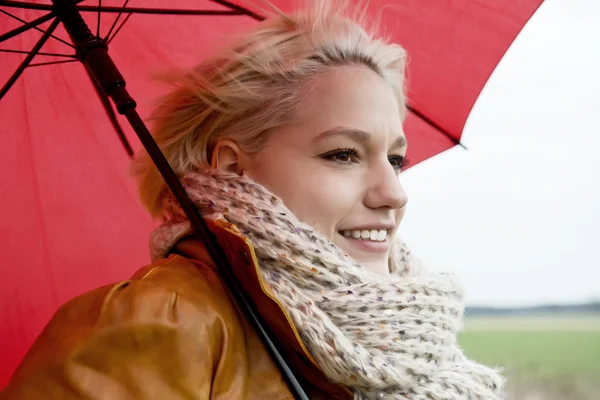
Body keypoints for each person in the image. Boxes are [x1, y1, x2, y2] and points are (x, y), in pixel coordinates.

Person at [1, 1, 504, 399]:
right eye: (344, 154)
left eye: (395, 159)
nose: (394, 192)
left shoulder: (404, 339)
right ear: (233, 167)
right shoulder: (164, 323)